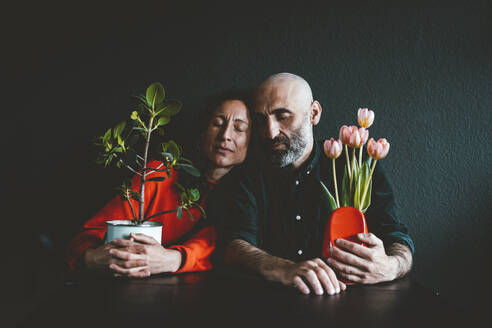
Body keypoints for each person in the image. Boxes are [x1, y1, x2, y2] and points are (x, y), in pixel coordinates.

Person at [214, 73, 414, 295]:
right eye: (261, 120)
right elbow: (235, 245)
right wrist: (284, 268)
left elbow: (396, 236)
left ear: (314, 113)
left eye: (283, 116)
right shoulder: (249, 174)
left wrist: (392, 266)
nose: (270, 132)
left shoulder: (356, 165)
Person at [66, 90, 251, 278]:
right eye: (217, 124)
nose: (225, 135)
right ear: (203, 131)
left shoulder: (247, 199)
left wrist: (173, 259)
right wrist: (92, 258)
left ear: (251, 140)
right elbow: (86, 239)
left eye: (239, 128)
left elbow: (217, 247)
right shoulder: (159, 173)